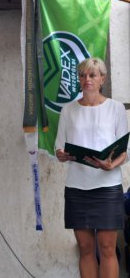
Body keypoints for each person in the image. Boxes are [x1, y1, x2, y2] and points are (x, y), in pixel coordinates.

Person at [55, 58, 128, 278]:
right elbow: (59, 148)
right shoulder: (67, 110)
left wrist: (110, 165)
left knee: (107, 248)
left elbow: (125, 151)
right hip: (77, 188)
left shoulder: (115, 108)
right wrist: (61, 154)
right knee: (85, 249)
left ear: (102, 79)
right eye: (82, 75)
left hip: (108, 187)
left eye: (92, 75)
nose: (87, 79)